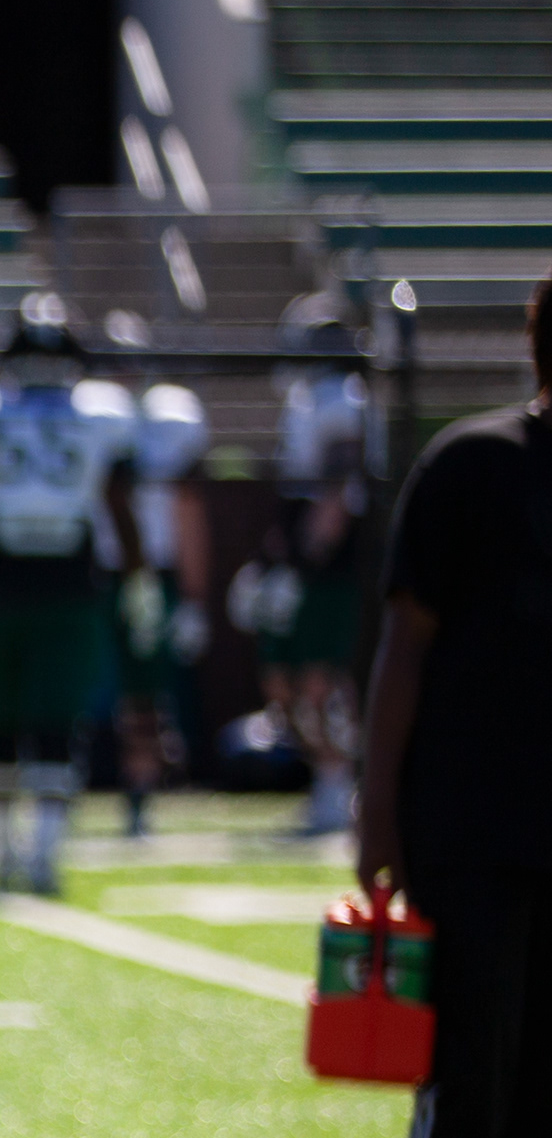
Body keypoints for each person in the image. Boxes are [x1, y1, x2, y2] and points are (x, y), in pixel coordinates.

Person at [356, 268, 552, 1138]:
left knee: (541, 1075)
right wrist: (377, 807)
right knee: (468, 1064)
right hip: (469, 819)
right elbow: (406, 644)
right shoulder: (475, 464)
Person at [0, 296, 145, 898]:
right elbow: (118, 505)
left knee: (33, 720)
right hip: (36, 580)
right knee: (27, 720)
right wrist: (138, 577)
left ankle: (29, 850)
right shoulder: (93, 412)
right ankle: (23, 850)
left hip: (41, 581)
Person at [246, 302, 378, 839]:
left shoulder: (343, 399)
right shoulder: (310, 401)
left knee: (320, 678)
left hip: (329, 563)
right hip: (301, 557)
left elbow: (337, 493)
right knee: (282, 679)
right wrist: (275, 560)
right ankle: (328, 778)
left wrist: (305, 561)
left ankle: (338, 785)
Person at [105, 313, 211, 841]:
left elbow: (188, 512)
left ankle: (140, 794)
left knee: (145, 694)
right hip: (94, 569)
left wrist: (192, 597)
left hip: (153, 573)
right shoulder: (90, 415)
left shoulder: (172, 416)